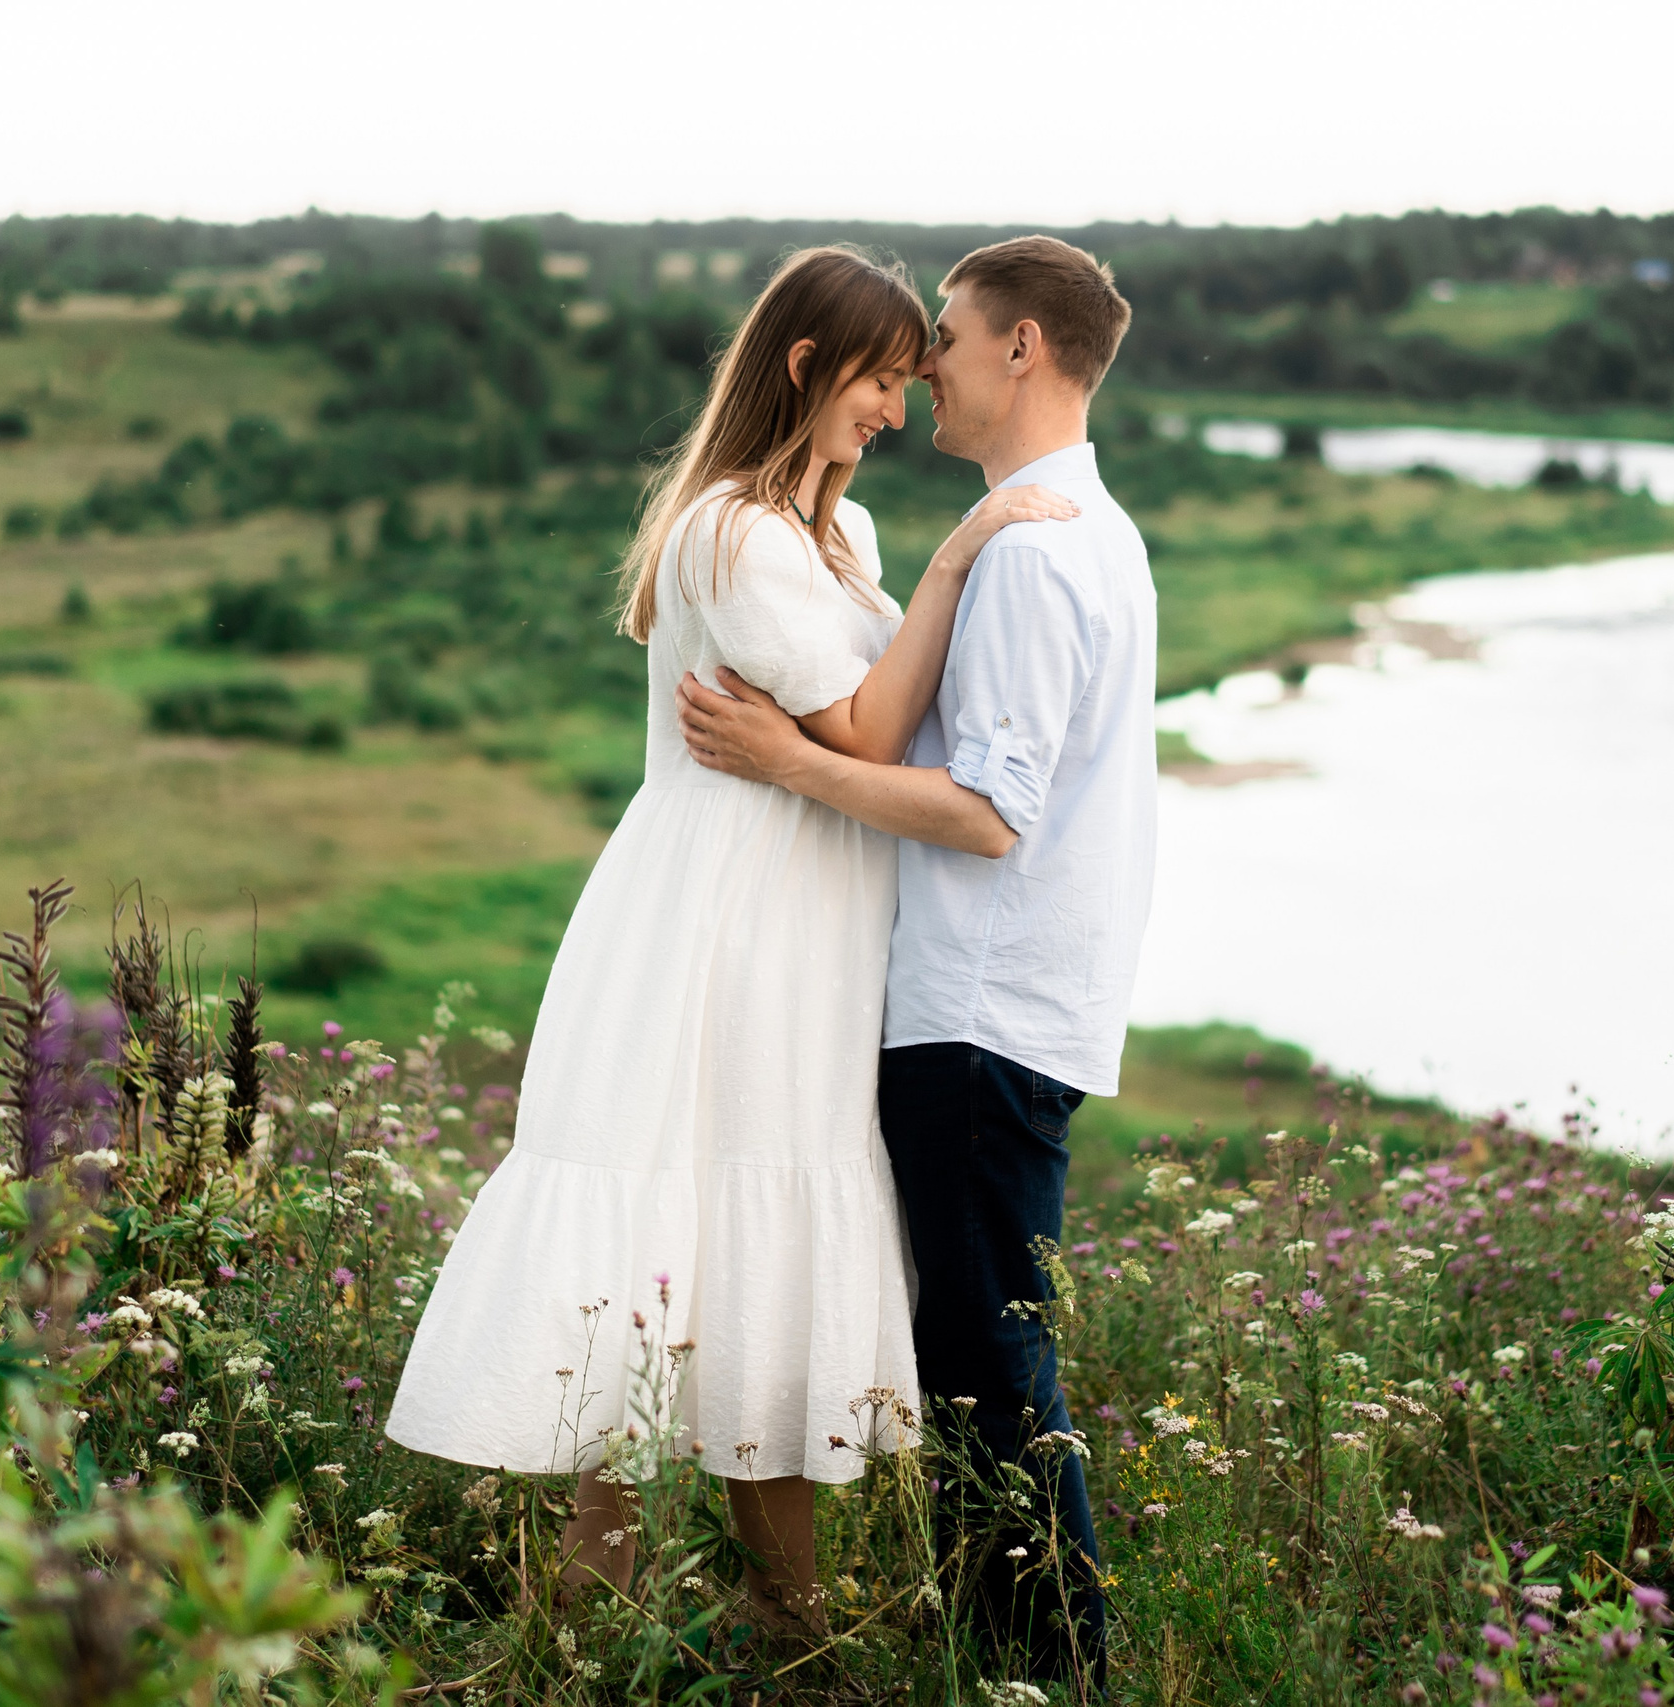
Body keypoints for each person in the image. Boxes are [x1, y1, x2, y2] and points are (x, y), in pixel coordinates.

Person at [385, 244, 1077, 1634]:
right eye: (882, 379)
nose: (898, 404)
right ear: (810, 369)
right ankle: (600, 1622)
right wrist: (962, 556)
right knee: (675, 1232)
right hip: (722, 921)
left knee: (758, 1241)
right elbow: (870, 730)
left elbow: (863, 719)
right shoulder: (729, 532)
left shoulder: (839, 535)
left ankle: (780, 1616)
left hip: (811, 920)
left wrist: (913, 576)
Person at [677, 235, 1152, 1699]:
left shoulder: (1024, 546)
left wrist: (781, 762)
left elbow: (988, 815)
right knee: (981, 1352)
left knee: (989, 1370)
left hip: (978, 1009)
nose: (927, 367)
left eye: (943, 336)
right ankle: (1016, 1655)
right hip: (1025, 1003)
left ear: (1021, 347)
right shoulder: (1093, 529)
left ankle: (1043, 1668)